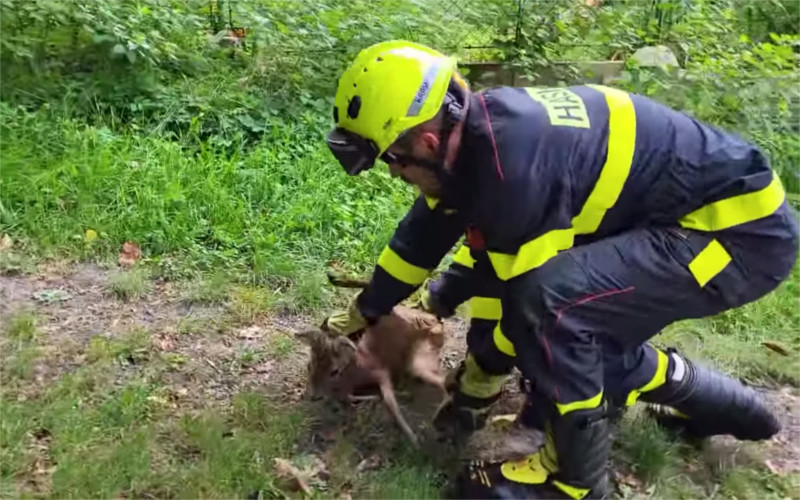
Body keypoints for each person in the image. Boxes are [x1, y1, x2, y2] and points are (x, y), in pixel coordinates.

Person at [322, 40, 798, 499]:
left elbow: (521, 301)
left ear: (427, 141)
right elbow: (423, 241)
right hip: (682, 221)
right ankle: (738, 414)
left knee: (554, 309)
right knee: (590, 350)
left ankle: (573, 486)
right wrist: (365, 310)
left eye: (393, 160)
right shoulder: (476, 140)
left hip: (736, 238)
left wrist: (477, 384)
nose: (392, 173)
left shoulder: (513, 174)